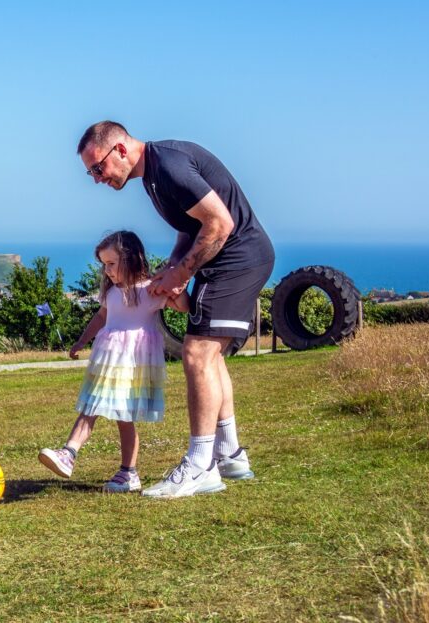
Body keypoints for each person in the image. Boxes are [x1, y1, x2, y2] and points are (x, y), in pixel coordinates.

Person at [77, 121, 275, 499]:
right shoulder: (153, 175)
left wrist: (183, 272)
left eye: (97, 168)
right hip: (223, 262)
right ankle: (230, 454)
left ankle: (200, 465)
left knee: (196, 353)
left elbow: (220, 223)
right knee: (211, 356)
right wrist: (172, 267)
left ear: (119, 149)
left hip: (239, 260)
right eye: (90, 173)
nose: (96, 179)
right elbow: (191, 226)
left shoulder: (168, 165)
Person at [39, 231, 189, 492]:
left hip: (131, 362)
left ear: (130, 259)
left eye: (111, 263)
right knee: (101, 408)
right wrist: (82, 341)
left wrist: (177, 284)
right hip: (108, 358)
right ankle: (101, 464)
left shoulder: (150, 290)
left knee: (112, 412)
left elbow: (183, 306)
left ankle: (86, 458)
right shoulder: (111, 292)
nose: (106, 270)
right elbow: (101, 318)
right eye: (103, 264)